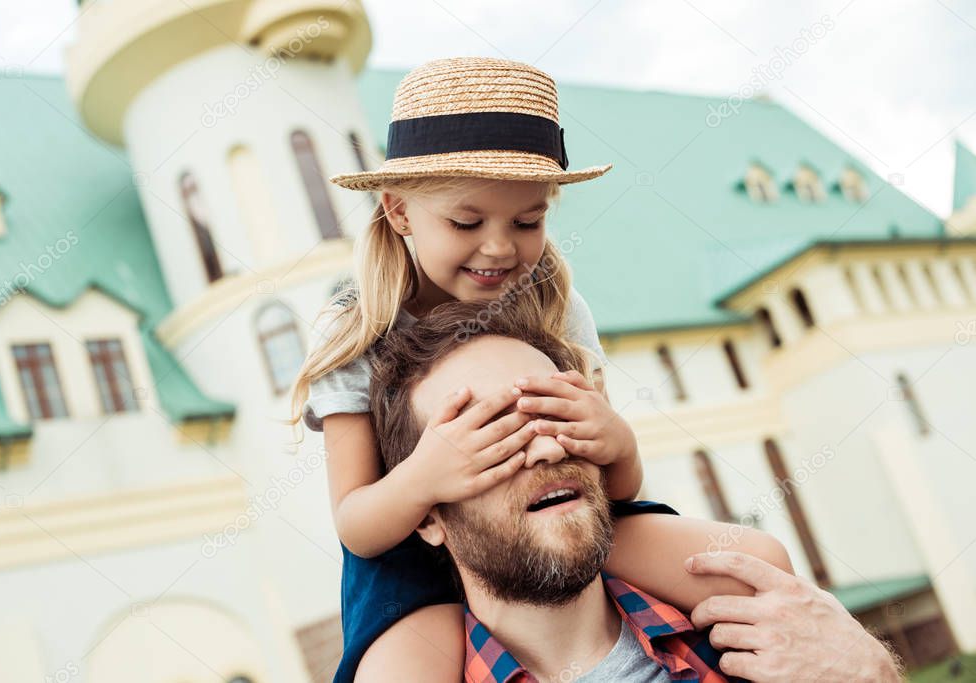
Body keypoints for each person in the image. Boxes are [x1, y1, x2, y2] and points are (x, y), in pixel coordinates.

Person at [290, 56, 790, 682]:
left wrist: (617, 443)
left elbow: (614, 488)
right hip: (409, 557)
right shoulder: (355, 324)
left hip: (560, 513)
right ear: (398, 211)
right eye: (466, 222)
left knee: (754, 566)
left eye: (528, 221)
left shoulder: (553, 298)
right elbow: (358, 526)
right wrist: (429, 476)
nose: (500, 247)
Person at [367, 299, 904, 682]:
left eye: (559, 416)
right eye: (493, 438)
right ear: (427, 517)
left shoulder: (761, 635)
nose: (549, 449)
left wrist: (870, 675)